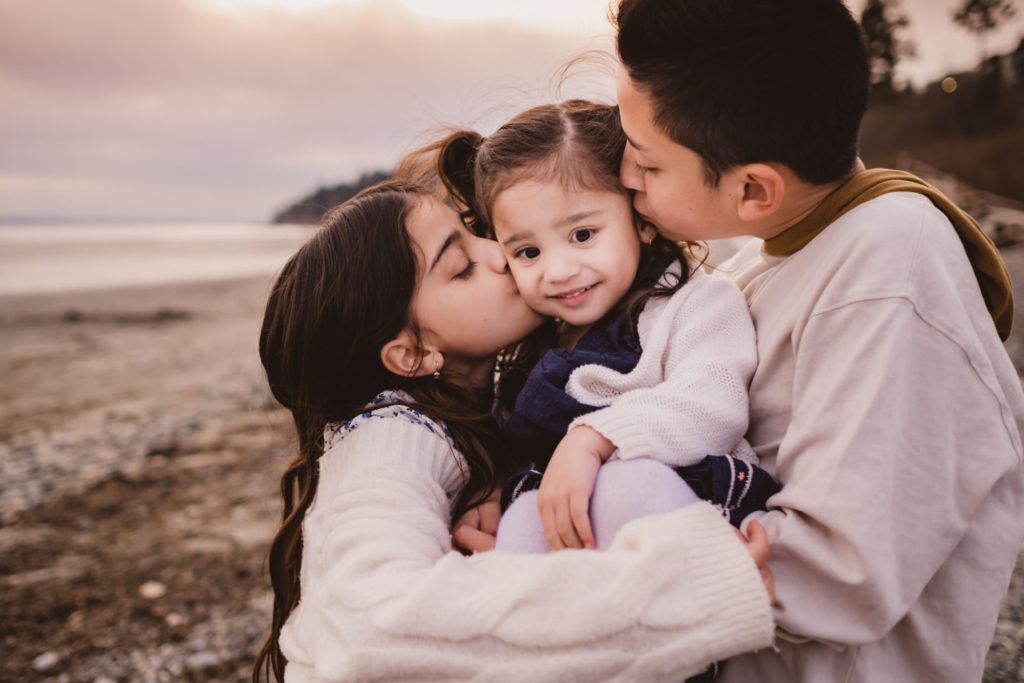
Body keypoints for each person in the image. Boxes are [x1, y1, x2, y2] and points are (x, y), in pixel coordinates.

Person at [613, 0, 1024, 681]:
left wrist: (588, 567)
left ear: (753, 189)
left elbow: (840, 569)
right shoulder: (763, 255)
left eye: (646, 162)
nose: (624, 175)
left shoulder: (891, 270)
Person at [252, 179, 775, 682]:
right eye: (462, 268)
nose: (499, 254)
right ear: (412, 354)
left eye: (474, 232)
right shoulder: (388, 438)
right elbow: (370, 627)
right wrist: (692, 588)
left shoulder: (491, 405)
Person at [431, 101, 779, 557]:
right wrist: (492, 485)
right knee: (521, 516)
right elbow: (521, 440)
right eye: (528, 253)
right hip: (587, 535)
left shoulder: (695, 302)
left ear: (642, 220)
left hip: (690, 499)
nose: (557, 270)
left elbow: (714, 401)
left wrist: (593, 440)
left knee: (630, 481)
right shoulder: (536, 339)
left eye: (582, 235)